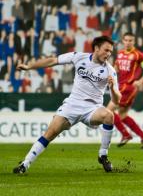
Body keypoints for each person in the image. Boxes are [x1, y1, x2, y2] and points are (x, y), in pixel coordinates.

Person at [13, 36, 121, 174]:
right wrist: (29, 67)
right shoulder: (78, 57)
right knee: (50, 133)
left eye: (111, 52)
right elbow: (53, 60)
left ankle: (103, 155)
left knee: (109, 115)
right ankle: (25, 164)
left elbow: (117, 100)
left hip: (92, 109)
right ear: (96, 48)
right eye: (106, 50)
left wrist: (112, 88)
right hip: (72, 105)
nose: (108, 54)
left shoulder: (110, 71)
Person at [107, 32, 143, 149]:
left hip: (128, 87)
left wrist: (141, 81)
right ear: (123, 41)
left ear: (134, 42)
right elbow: (116, 68)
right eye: (126, 40)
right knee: (122, 115)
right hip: (121, 85)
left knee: (109, 111)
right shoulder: (120, 53)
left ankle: (126, 134)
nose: (128, 42)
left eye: (130, 40)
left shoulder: (138, 55)